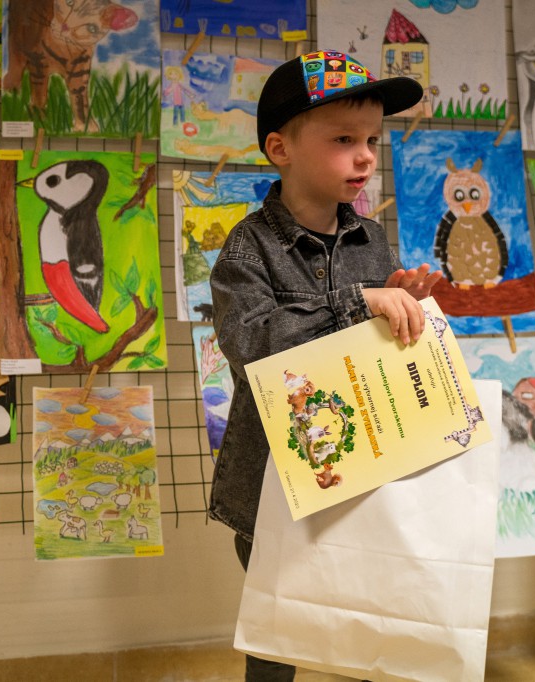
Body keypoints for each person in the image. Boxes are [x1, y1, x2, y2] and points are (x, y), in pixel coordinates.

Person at [208, 49, 442, 680]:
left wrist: (400, 311)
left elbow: (368, 356)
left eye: (371, 140)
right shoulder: (247, 248)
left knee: (366, 623)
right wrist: (360, 302)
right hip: (274, 485)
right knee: (279, 634)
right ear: (280, 149)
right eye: (344, 140)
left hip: (359, 471)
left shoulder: (372, 240)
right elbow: (252, 344)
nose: (365, 157)